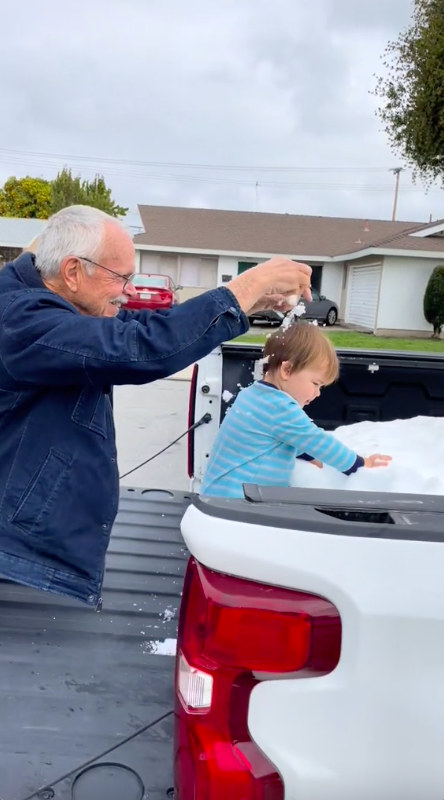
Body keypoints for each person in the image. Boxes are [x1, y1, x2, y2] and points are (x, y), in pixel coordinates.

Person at [0, 204, 312, 607]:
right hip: (18, 555)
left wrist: (246, 304)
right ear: (73, 271)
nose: (130, 291)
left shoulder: (50, 304)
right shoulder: (20, 319)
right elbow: (137, 348)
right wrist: (245, 286)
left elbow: (138, 328)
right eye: (121, 277)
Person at [200, 322, 392, 498]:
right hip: (237, 503)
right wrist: (361, 464)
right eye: (315, 383)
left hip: (217, 494)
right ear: (287, 370)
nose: (318, 393)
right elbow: (317, 441)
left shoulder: (254, 395)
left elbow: (276, 438)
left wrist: (307, 454)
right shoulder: (280, 407)